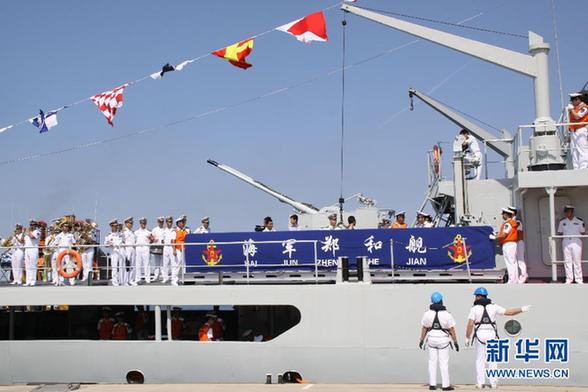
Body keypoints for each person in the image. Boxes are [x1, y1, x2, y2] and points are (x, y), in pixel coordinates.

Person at [465, 287, 531, 389]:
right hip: (491, 334)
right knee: (493, 360)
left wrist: (467, 337)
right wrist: (522, 309)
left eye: (475, 296)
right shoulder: (494, 307)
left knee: (480, 360)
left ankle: (480, 383)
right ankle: (494, 383)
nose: (474, 298)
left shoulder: (474, 309)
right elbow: (509, 312)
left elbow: (470, 324)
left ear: (478, 297)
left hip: (480, 335)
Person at [419, 292, 458, 391]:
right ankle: (445, 385)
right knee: (444, 363)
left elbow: (424, 328)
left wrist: (421, 340)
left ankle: (432, 385)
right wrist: (455, 342)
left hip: (431, 340)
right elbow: (452, 329)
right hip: (443, 341)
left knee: (432, 362)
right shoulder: (447, 314)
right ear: (441, 301)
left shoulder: (427, 314)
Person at [557, 205, 585, 284]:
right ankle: (569, 279)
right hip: (566, 242)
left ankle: (579, 279)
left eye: (567, 211)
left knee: (577, 261)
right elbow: (560, 232)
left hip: (576, 242)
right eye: (565, 211)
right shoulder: (562, 222)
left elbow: (583, 232)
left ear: (572, 212)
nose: (566, 213)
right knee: (567, 261)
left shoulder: (579, 221)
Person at [493, 208, 518, 284]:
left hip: (508, 244)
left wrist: (495, 237)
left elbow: (504, 235)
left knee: (509, 262)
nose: (502, 216)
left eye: (503, 214)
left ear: (506, 214)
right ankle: (514, 279)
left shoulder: (507, 224)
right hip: (511, 244)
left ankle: (511, 280)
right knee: (513, 262)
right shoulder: (512, 222)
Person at [566, 92, 588, 169]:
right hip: (574, 131)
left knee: (582, 149)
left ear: (578, 99)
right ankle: (576, 167)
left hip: (581, 130)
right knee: (574, 150)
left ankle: (583, 167)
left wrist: (571, 109)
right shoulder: (575, 108)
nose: (572, 102)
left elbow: (577, 117)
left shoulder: (584, 107)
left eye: (573, 100)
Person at [508, 206, 527, 284]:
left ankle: (523, 276)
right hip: (514, 243)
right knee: (514, 260)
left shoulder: (517, 222)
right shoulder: (511, 221)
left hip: (518, 242)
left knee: (520, 259)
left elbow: (517, 233)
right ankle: (515, 278)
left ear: (513, 213)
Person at [104, 219, 124, 286]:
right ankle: (115, 282)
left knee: (121, 266)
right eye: (114, 226)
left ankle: (122, 281)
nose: (115, 227)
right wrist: (108, 244)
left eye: (116, 226)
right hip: (113, 251)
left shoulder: (120, 234)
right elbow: (105, 245)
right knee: (114, 267)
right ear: (111, 226)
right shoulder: (108, 235)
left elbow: (124, 241)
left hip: (121, 251)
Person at [134, 217, 152, 284]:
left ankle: (147, 279)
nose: (143, 224)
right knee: (138, 264)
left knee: (146, 264)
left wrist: (151, 239)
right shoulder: (136, 232)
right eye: (142, 223)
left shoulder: (149, 232)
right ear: (140, 223)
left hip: (145, 248)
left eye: (144, 223)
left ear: (146, 223)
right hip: (138, 248)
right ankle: (138, 278)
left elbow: (152, 240)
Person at [23, 220, 41, 286]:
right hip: (27, 249)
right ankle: (28, 281)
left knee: (33, 265)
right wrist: (23, 233)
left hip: (33, 249)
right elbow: (22, 241)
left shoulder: (37, 232)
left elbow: (32, 237)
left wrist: (28, 232)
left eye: (33, 225)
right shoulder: (28, 232)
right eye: (30, 225)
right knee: (27, 266)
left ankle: (33, 281)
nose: (31, 226)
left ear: (35, 226)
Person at [172, 217, 189, 286]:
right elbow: (173, 241)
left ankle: (181, 279)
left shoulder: (185, 231)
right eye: (181, 222)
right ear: (178, 223)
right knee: (176, 265)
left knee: (183, 265)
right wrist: (174, 250)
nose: (183, 223)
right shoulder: (175, 231)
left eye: (183, 222)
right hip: (178, 249)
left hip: (184, 249)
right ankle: (174, 280)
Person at [161, 216, 177, 284]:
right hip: (165, 247)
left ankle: (173, 278)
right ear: (166, 222)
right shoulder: (164, 230)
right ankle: (165, 278)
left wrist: (174, 250)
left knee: (173, 263)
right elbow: (162, 240)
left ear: (172, 222)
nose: (169, 223)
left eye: (170, 222)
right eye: (168, 222)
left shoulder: (173, 230)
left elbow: (173, 240)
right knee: (165, 263)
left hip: (171, 247)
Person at [150, 217, 165, 281]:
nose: (161, 223)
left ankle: (164, 276)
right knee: (156, 263)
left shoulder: (165, 229)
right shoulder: (154, 229)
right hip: (156, 247)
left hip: (164, 247)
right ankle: (156, 276)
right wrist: (153, 240)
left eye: (162, 222)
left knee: (163, 263)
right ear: (158, 222)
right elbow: (151, 238)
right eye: (160, 222)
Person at [122, 217, 137, 286]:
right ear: (126, 223)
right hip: (127, 249)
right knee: (127, 265)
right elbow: (123, 241)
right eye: (130, 223)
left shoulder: (132, 232)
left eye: (132, 223)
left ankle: (130, 280)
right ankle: (125, 281)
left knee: (132, 265)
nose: (131, 224)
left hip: (133, 249)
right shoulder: (124, 232)